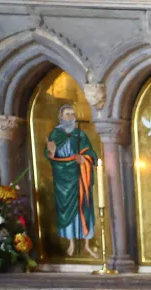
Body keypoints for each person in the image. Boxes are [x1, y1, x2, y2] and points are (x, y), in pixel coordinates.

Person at [45, 104, 98, 258]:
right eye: (67, 114)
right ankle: (71, 243)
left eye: (72, 114)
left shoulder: (79, 134)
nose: (71, 117)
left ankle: (87, 244)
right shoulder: (55, 134)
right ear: (61, 117)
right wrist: (52, 151)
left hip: (80, 177)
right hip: (63, 179)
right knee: (67, 210)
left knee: (84, 207)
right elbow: (49, 154)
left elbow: (91, 153)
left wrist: (85, 159)